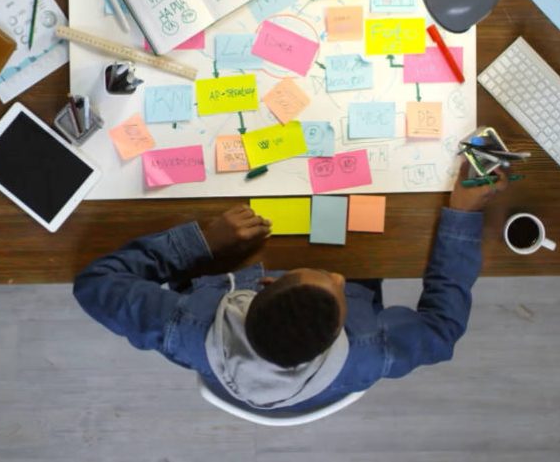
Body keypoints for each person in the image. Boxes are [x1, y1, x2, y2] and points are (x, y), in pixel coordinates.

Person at [73, 164, 509, 412]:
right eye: (337, 284)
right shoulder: (370, 349)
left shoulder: (184, 328)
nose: (338, 275)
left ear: (264, 284)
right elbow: (443, 329)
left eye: (329, 278)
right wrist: (463, 216)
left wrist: (203, 241)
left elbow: (96, 284)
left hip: (225, 267)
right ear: (343, 328)